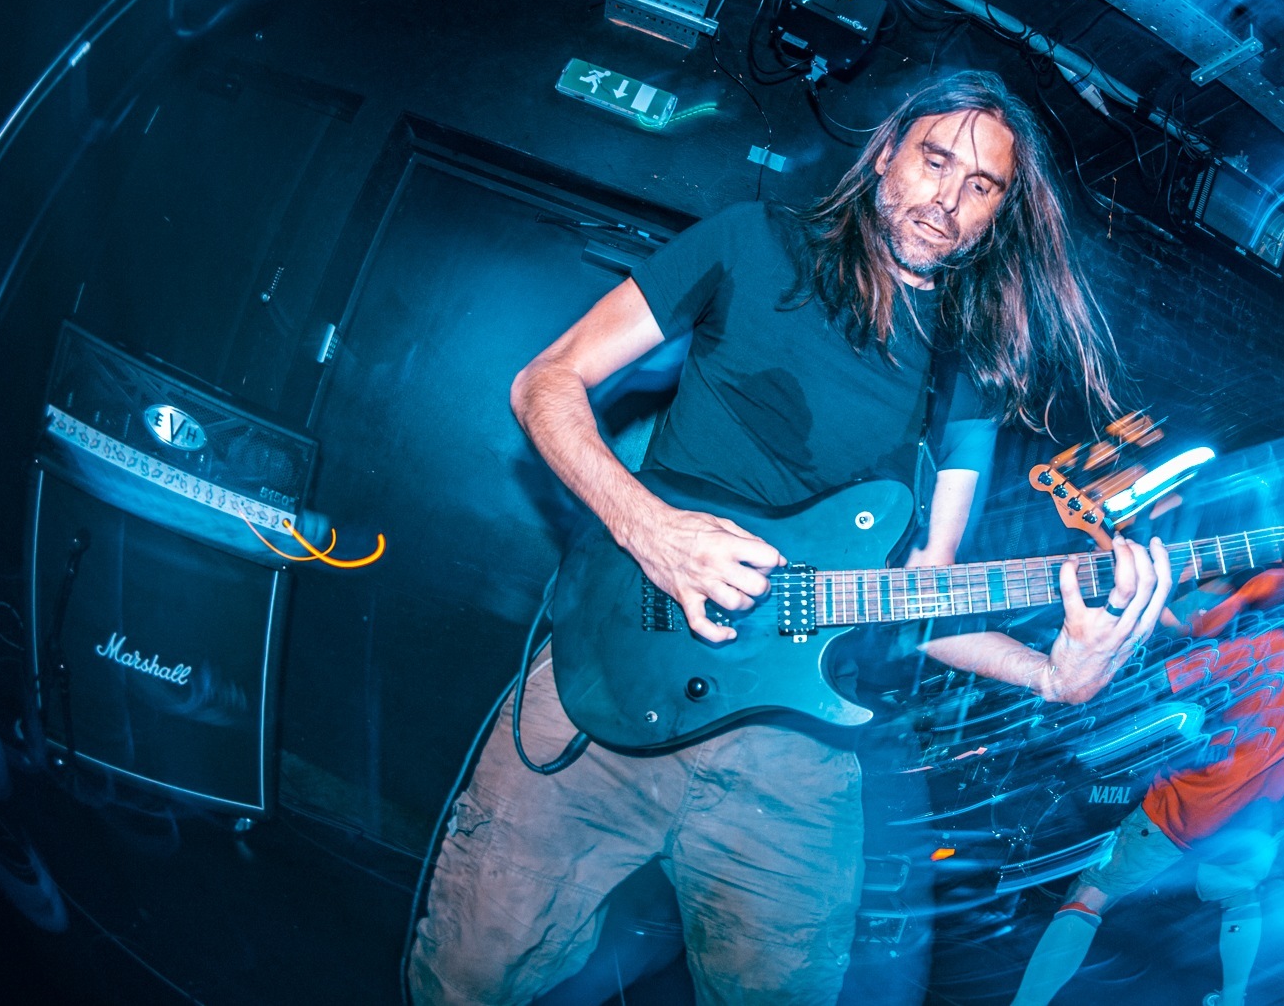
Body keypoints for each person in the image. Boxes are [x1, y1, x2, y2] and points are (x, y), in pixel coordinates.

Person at [408, 71, 1178, 1006]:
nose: (947, 198)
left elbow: (923, 594)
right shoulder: (752, 242)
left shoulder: (965, 375)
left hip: (792, 763)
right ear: (887, 152)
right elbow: (546, 381)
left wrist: (1050, 674)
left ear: (997, 215)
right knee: (466, 973)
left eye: (980, 185)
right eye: (935, 160)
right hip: (606, 675)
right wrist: (650, 529)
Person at [1010, 564, 1284, 1006]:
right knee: (1238, 896)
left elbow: (1168, 677)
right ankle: (1233, 1000)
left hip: (1192, 801)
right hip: (1268, 808)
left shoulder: (1258, 604)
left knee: (1092, 892)